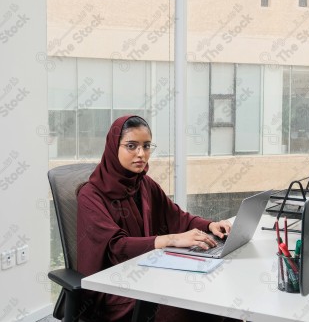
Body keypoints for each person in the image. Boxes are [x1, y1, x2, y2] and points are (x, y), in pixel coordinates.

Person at [77, 115, 235, 322]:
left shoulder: (144, 183)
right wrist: (170, 239)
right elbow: (116, 245)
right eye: (131, 146)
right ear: (113, 147)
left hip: (149, 270)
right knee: (183, 304)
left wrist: (210, 225)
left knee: (212, 295)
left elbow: (178, 218)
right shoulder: (90, 195)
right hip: (114, 287)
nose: (141, 154)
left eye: (146, 146)